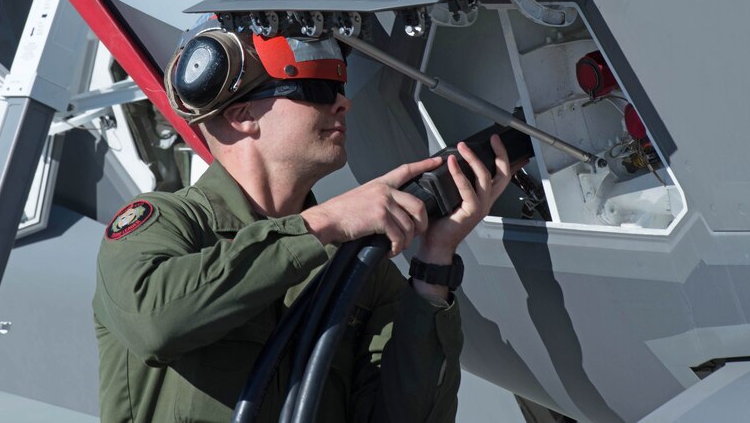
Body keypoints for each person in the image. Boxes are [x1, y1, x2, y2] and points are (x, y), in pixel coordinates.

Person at [93, 22, 526, 422]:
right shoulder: (161, 225)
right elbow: (156, 321)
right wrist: (321, 224)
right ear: (242, 116)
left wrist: (434, 265)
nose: (343, 100)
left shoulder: (360, 268)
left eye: (337, 86)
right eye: (315, 88)